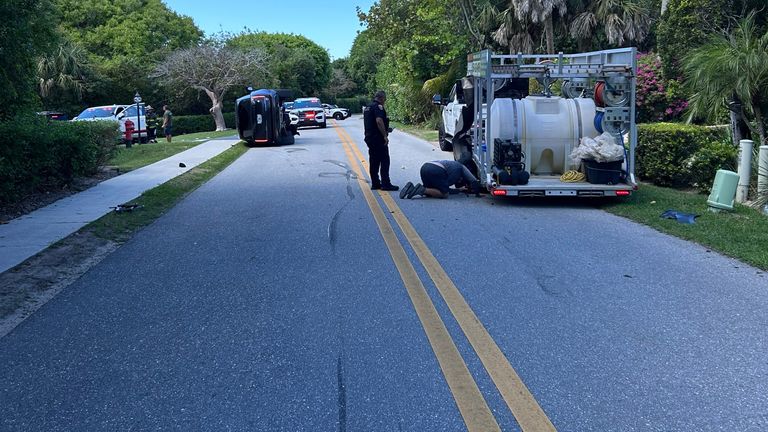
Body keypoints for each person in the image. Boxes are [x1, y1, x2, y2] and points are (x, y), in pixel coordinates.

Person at [363, 91, 398, 191]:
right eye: (385, 100)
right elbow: (379, 121)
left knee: (374, 161)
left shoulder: (368, 107)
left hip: (369, 138)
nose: (384, 102)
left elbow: (371, 123)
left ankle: (375, 183)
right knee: (384, 160)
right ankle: (386, 184)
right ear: (381, 98)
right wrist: (384, 136)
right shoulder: (378, 107)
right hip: (378, 138)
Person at [399, 160, 482, 199]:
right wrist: (477, 194)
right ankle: (422, 189)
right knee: (444, 194)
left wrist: (459, 189)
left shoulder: (453, 165)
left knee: (431, 192)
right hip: (435, 170)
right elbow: (473, 180)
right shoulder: (459, 169)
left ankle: (411, 189)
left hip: (425, 167)